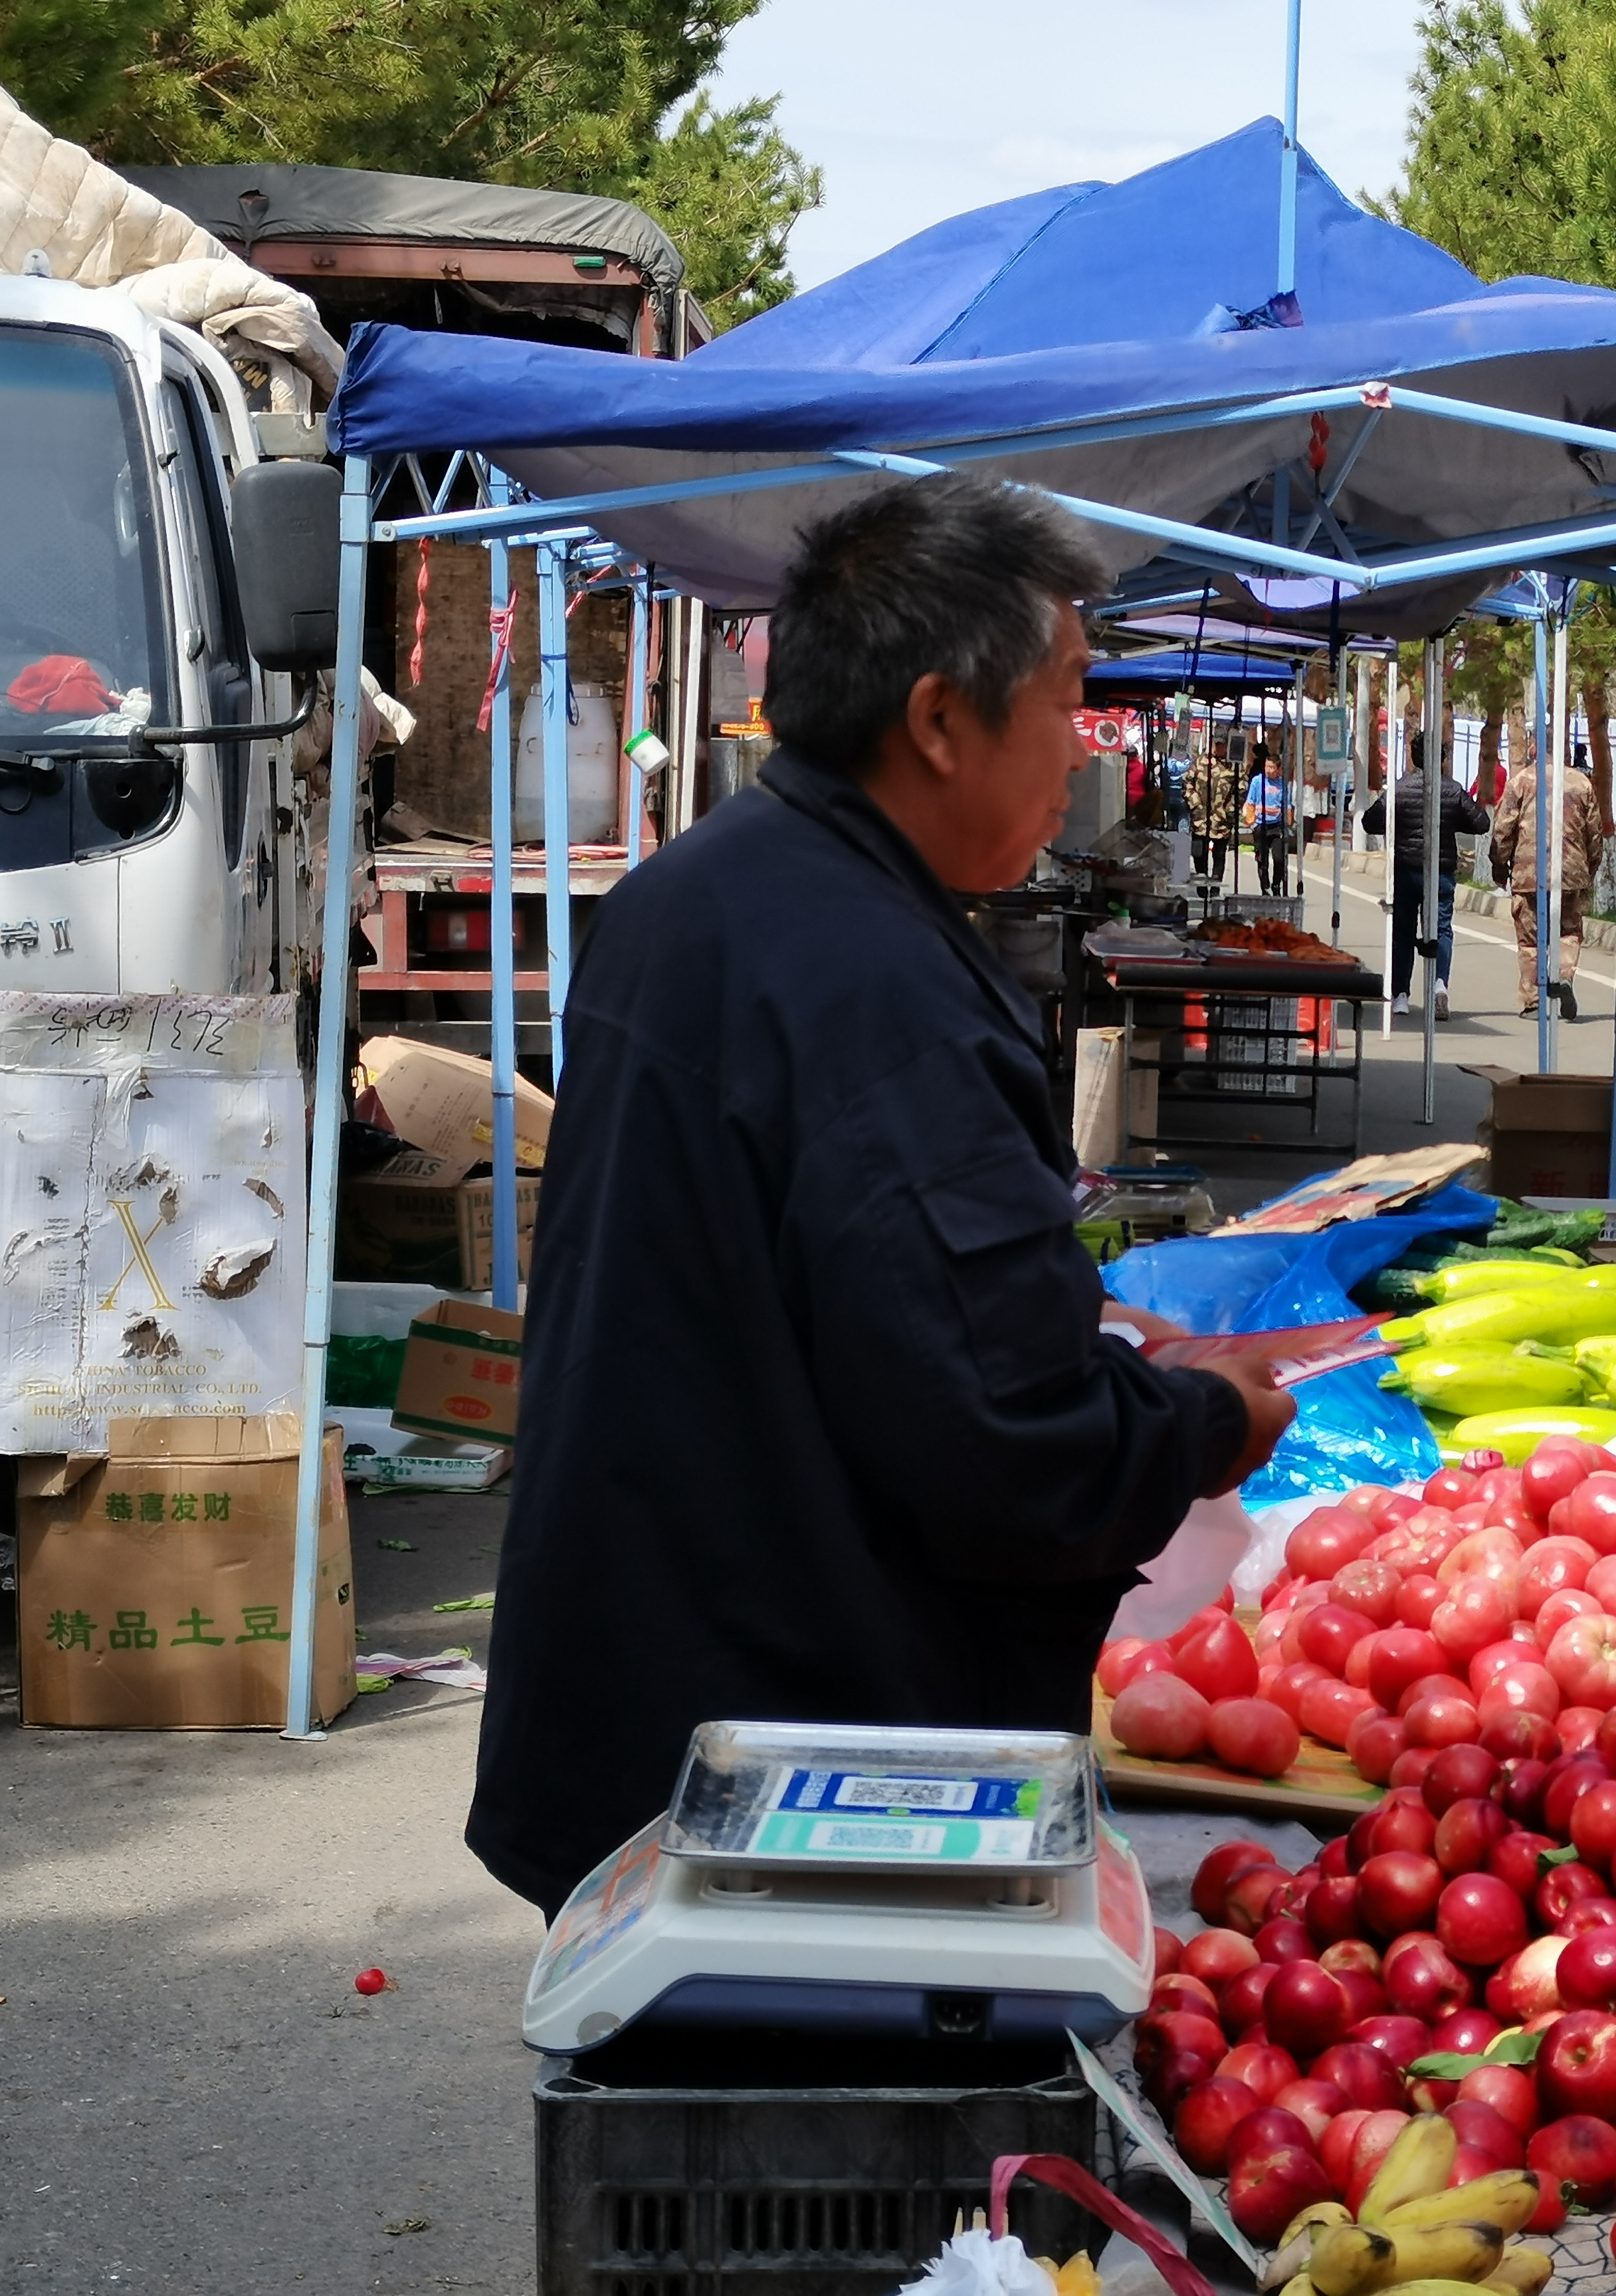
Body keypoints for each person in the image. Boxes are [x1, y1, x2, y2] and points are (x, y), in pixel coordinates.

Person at [466, 475, 1295, 1919]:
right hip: (798, 1796)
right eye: (1069, 699)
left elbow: (808, 1290)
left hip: (645, 1715)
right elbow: (1002, 1443)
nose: (1080, 746)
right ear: (936, 720)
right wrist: (1213, 1419)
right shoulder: (876, 982)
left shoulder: (697, 892)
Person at [1362, 727, 1489, 1017]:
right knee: (1442, 928)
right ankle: (1439, 985)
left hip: (1406, 871)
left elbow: (1370, 822)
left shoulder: (1400, 789)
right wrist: (1454, 821)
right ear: (1443, 758)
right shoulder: (1453, 790)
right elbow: (1481, 823)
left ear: (1413, 756)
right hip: (1441, 872)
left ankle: (1401, 995)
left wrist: (1396, 826)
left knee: (1403, 932)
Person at [1492, 731, 1604, 1020]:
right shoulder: (1582, 783)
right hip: (1571, 873)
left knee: (1530, 939)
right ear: (1565, 749)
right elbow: (1595, 832)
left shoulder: (1521, 782)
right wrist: (1590, 867)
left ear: (1534, 746)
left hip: (1529, 874)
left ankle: (1534, 1002)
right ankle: (1564, 976)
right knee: (1568, 931)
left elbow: (1504, 829)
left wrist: (1498, 864)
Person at [1243, 741, 1292, 896]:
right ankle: (1265, 886)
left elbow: (1287, 805)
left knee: (1279, 859)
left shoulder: (1282, 784)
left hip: (1276, 826)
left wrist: (1288, 823)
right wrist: (1252, 824)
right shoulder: (1258, 781)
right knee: (1262, 860)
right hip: (1261, 825)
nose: (1269, 771)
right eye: (1267, 767)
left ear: (1279, 769)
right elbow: (1250, 802)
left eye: (1272, 768)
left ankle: (1277, 885)